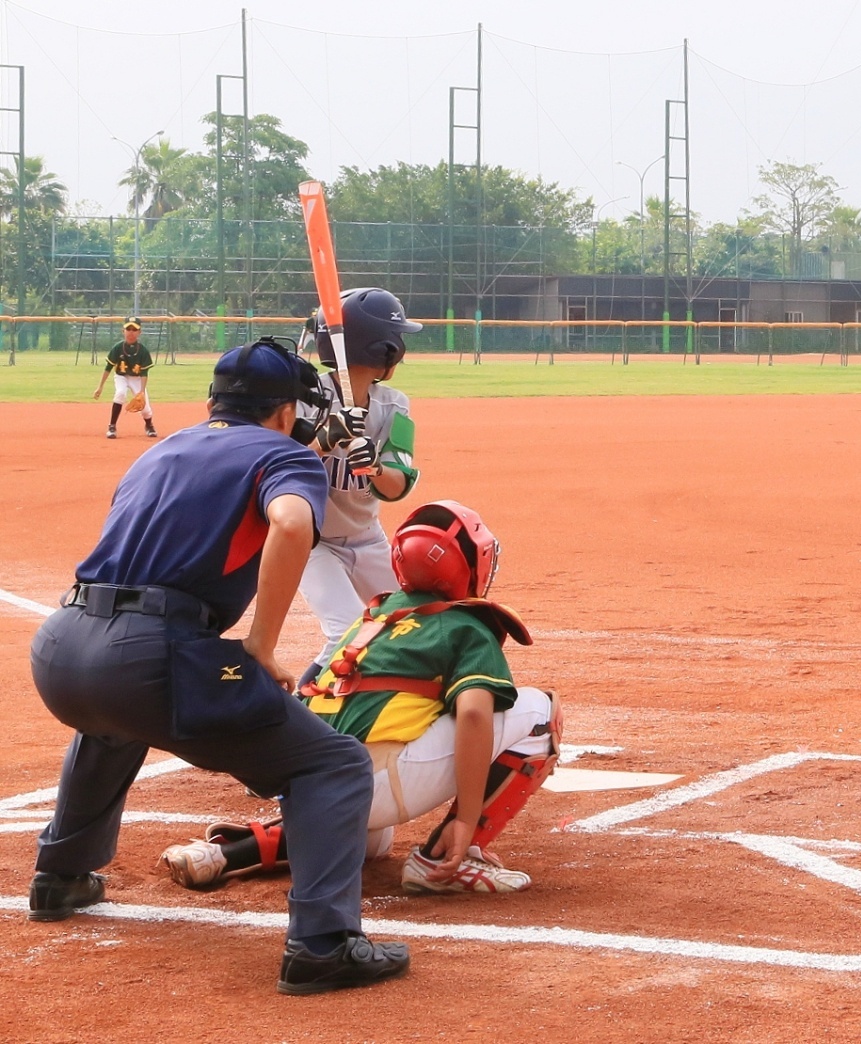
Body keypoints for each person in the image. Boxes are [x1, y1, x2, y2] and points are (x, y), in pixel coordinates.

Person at [29, 338, 410, 995]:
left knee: (114, 723)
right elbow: (290, 523)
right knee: (334, 764)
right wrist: (261, 645)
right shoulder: (283, 453)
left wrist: (307, 449)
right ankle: (323, 944)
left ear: (214, 400)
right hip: (150, 655)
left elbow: (226, 480)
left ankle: (60, 876)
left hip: (63, 650)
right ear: (286, 410)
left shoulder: (163, 449)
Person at [158, 500, 561, 896]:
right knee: (541, 711)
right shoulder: (466, 625)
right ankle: (450, 856)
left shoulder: (375, 615)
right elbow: (474, 715)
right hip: (373, 783)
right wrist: (466, 818)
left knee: (368, 841)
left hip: (313, 779)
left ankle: (227, 855)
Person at [295, 288, 423, 691]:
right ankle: (298, 706)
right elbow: (273, 466)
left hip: (368, 539)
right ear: (384, 348)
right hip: (312, 543)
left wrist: (374, 466)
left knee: (410, 626)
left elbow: (399, 482)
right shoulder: (305, 396)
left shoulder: (394, 406)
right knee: (347, 631)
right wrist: (323, 440)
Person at [91, 318, 157, 439]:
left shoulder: (143, 351)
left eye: (134, 329)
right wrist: (100, 387)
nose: (131, 332)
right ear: (123, 331)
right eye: (128, 329)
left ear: (139, 332)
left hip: (137, 379)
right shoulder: (117, 348)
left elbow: (144, 373)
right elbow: (108, 367)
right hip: (121, 376)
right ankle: (112, 426)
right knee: (120, 393)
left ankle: (149, 425)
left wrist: (142, 392)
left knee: (145, 409)